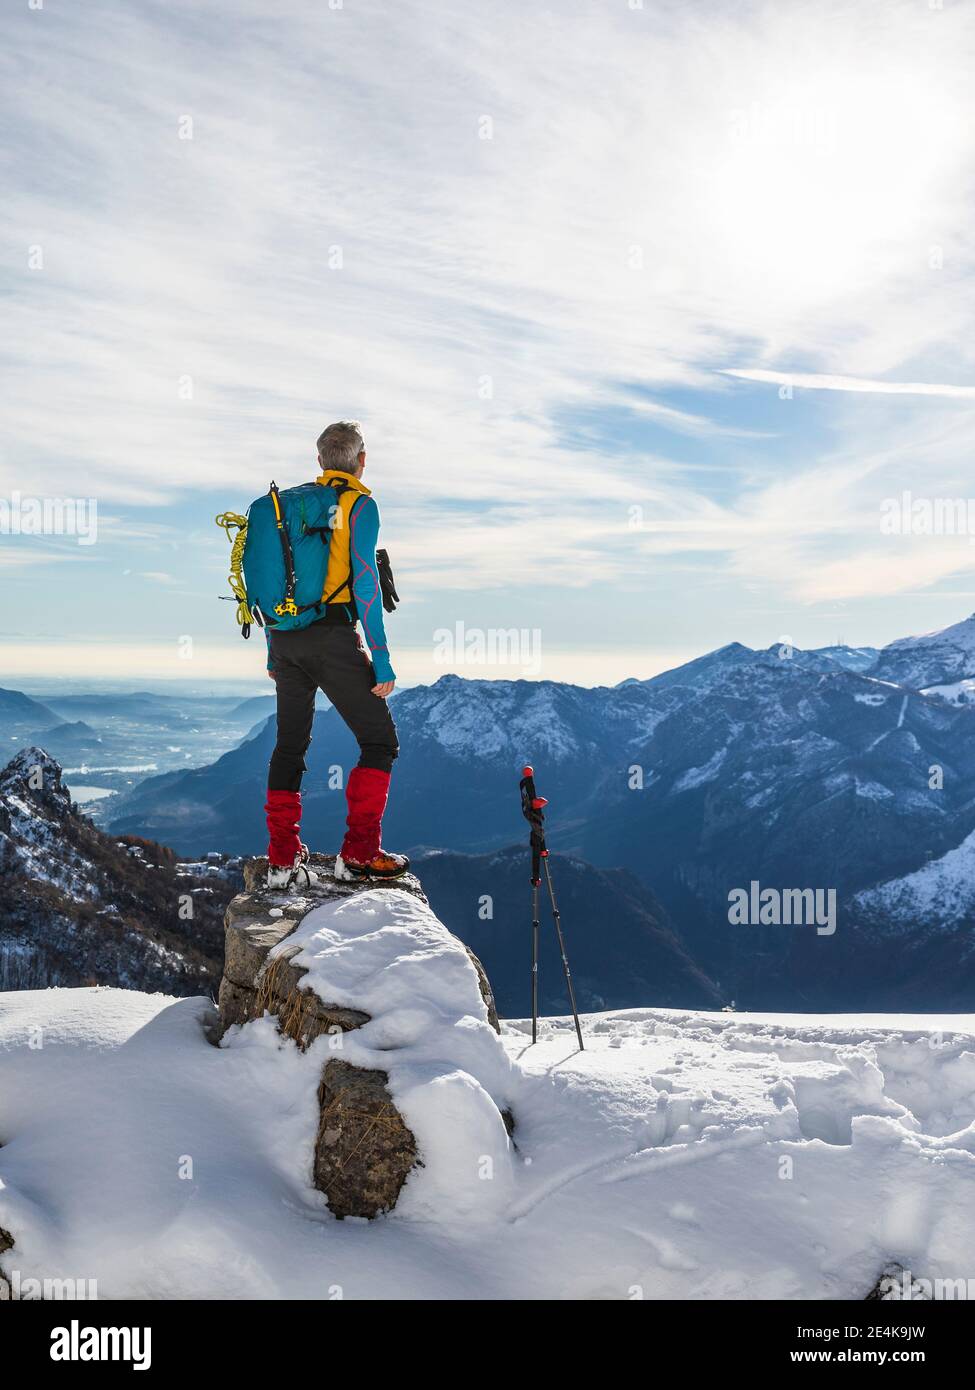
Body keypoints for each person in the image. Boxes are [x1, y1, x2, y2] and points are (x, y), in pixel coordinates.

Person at [264, 421, 407, 886]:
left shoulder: (287, 506)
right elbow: (365, 583)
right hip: (331, 637)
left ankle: (282, 861)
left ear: (320, 461)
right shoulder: (359, 505)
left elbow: (272, 586)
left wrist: (273, 649)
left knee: (289, 745)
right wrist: (381, 658)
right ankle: (359, 854)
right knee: (380, 742)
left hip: (286, 638)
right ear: (362, 460)